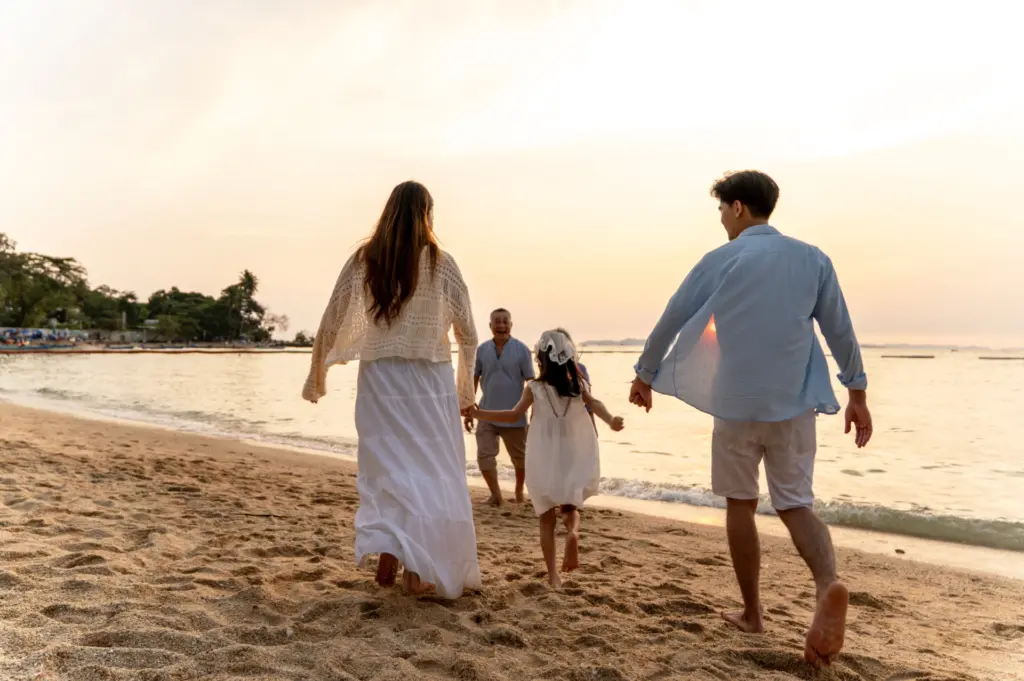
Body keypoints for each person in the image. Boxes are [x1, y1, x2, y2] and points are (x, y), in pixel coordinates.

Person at [628, 171, 872, 666]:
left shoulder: (722, 258)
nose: (720, 219)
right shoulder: (813, 259)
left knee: (740, 505)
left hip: (736, 403)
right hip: (795, 403)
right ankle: (828, 583)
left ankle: (753, 612)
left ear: (739, 207)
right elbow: (839, 330)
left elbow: (674, 315)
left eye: (721, 210)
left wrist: (645, 373)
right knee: (796, 504)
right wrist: (857, 392)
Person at [302, 180, 481, 599]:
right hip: (429, 382)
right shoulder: (441, 263)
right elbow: (469, 333)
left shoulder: (366, 260)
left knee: (387, 471)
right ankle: (417, 572)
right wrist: (464, 393)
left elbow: (332, 318)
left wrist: (317, 375)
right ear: (426, 214)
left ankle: (389, 561)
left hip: (381, 381)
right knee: (433, 474)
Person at [472, 329, 624, 588]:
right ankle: (573, 533)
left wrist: (479, 413)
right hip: (574, 449)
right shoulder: (577, 385)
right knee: (570, 505)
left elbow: (513, 415)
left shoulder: (534, 387)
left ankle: (553, 575)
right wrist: (611, 420)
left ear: (541, 359)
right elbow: (594, 403)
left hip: (544, 452)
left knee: (546, 515)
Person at [464, 308, 534, 506]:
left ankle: (519, 490)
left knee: (520, 459)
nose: (501, 326)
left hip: (515, 415)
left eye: (505, 322)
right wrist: (468, 406)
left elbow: (532, 382)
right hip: (485, 413)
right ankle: (496, 495)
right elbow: (474, 378)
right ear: (490, 326)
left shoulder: (522, 350)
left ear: (511, 325)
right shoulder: (482, 350)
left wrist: (536, 410)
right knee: (484, 455)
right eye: (497, 322)